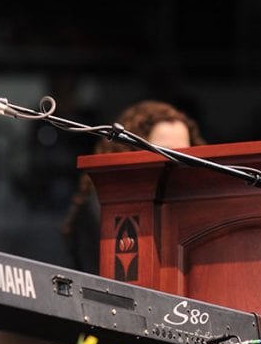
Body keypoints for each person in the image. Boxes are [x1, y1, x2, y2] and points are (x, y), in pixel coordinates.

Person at [60, 99, 206, 275]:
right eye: (166, 152)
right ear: (131, 153)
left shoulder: (190, 208)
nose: (178, 163)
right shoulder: (104, 208)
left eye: (186, 155)